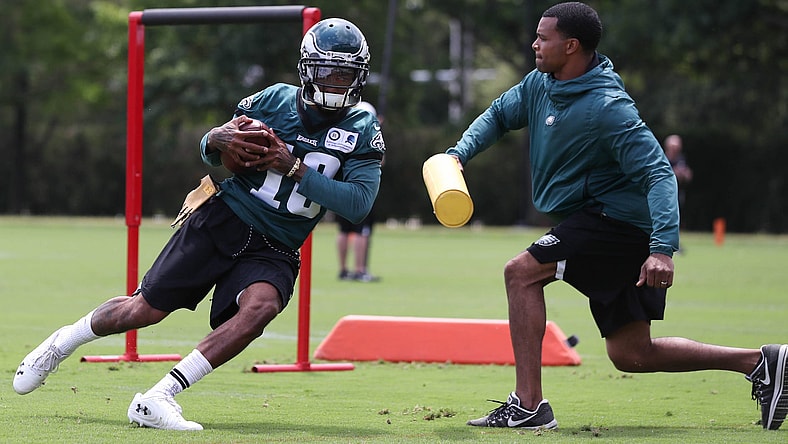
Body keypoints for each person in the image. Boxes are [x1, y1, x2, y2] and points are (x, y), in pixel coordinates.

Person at [12, 18, 384, 431]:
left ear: (359, 77)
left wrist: (294, 167)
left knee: (261, 308)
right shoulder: (274, 101)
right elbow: (213, 148)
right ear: (307, 69)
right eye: (327, 71)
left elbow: (359, 205)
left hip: (277, 244)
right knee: (143, 310)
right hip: (224, 218)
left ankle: (159, 396)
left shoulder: (362, 128)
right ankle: (61, 344)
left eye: (345, 73)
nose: (335, 81)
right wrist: (214, 139)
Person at [444, 2, 786, 431]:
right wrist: (459, 154)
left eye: (543, 37)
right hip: (602, 223)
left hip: (616, 224)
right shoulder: (538, 84)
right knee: (631, 354)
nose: (534, 43)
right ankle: (760, 363)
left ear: (570, 46)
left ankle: (528, 405)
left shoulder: (609, 108)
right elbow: (497, 115)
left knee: (521, 273)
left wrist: (662, 250)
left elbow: (659, 172)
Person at [337, 101, 381, 282]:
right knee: (362, 231)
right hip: (360, 192)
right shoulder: (367, 137)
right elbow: (378, 162)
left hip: (340, 189)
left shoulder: (342, 134)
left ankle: (343, 269)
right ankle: (360, 269)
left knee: (344, 231)